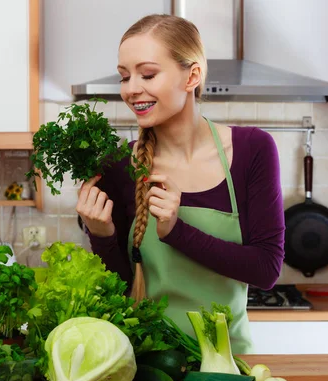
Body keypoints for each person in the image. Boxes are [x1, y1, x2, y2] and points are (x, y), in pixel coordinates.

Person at [76, 14, 285, 354]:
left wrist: (176, 231)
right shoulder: (117, 165)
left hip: (228, 367)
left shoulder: (252, 150)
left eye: (147, 74)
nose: (131, 89)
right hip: (147, 366)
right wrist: (101, 235)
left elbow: (266, 269)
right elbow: (124, 287)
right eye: (125, 77)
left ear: (192, 76)